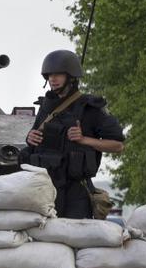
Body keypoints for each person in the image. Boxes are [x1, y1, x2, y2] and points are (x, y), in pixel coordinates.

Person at [23, 49, 125, 218]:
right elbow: (36, 142)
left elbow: (117, 146)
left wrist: (84, 139)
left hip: (75, 193)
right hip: (45, 190)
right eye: (49, 75)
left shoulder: (90, 108)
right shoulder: (46, 107)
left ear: (71, 77)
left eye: (58, 75)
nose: (52, 79)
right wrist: (30, 138)